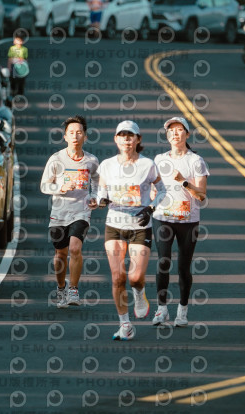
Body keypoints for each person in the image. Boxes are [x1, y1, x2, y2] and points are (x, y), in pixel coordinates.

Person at [97, 120, 167, 341]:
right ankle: (125, 324)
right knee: (118, 277)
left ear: (138, 139)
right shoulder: (107, 165)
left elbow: (162, 190)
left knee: (135, 277)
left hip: (140, 226)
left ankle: (139, 293)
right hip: (114, 225)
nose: (126, 139)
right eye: (122, 135)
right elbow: (100, 190)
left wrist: (151, 207)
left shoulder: (148, 165)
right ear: (116, 139)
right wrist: (100, 200)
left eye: (130, 135)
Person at [151, 117, 208, 327]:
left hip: (188, 220)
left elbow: (201, 195)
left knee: (184, 266)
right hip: (163, 217)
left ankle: (182, 310)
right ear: (167, 136)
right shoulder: (159, 159)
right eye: (171, 130)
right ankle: (161, 309)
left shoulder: (196, 161)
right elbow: (154, 189)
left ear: (187, 134)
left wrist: (184, 181)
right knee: (163, 262)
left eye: (179, 130)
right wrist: (150, 202)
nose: (175, 133)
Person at [40, 116, 99, 308]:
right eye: (71, 133)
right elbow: (44, 185)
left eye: (79, 132)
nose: (75, 136)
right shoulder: (56, 159)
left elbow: (98, 182)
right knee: (60, 254)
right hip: (59, 213)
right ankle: (61, 288)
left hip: (81, 212)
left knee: (75, 248)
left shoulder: (91, 161)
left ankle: (73, 289)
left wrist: (95, 197)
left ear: (85, 136)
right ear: (65, 137)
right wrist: (61, 188)